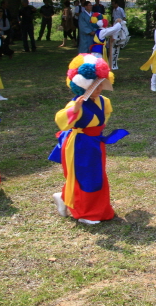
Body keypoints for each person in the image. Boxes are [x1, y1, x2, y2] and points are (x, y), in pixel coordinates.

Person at [49, 53, 127, 224]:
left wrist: (98, 130)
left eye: (100, 85)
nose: (98, 89)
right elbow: (61, 120)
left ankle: (67, 199)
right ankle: (84, 212)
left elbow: (105, 114)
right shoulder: (77, 103)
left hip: (95, 143)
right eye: (93, 86)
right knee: (84, 176)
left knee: (96, 175)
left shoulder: (103, 100)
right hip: (80, 145)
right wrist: (74, 110)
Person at [109, 0, 129, 70]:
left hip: (120, 24)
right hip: (115, 24)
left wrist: (122, 23)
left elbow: (124, 17)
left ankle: (120, 42)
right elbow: (113, 17)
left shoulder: (120, 9)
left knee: (121, 35)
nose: (113, 6)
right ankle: (115, 42)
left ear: (116, 4)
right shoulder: (114, 10)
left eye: (114, 4)